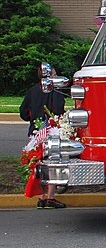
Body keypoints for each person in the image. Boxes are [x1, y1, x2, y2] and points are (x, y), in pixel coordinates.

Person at [19, 63, 66, 209]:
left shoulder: (32, 90)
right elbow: (58, 109)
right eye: (54, 73)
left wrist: (33, 119)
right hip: (51, 131)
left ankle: (42, 197)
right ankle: (51, 197)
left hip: (35, 133)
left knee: (39, 164)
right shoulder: (55, 91)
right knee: (52, 163)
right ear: (49, 76)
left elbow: (23, 111)